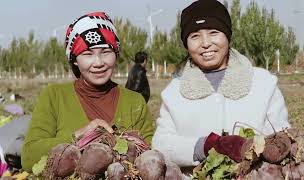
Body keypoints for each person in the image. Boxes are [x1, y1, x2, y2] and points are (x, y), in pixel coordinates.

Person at [152, 0, 290, 171]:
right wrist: (204, 146)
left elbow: (281, 139)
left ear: (227, 36)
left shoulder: (263, 83)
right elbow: (161, 144)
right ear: (186, 44)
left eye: (213, 32)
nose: (205, 43)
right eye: (195, 36)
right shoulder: (174, 92)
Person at [21, 12, 155, 171]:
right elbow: (29, 157)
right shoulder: (55, 96)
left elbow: (152, 156)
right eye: (87, 54)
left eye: (106, 52)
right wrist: (79, 135)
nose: (98, 63)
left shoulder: (135, 102)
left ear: (116, 54)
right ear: (75, 60)